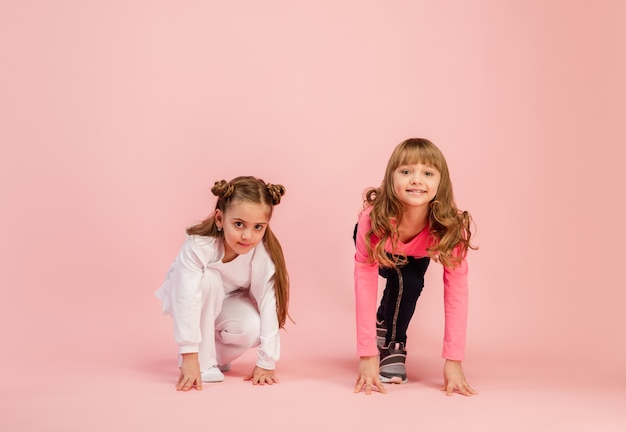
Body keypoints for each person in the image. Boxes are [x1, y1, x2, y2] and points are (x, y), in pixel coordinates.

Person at [353, 138, 478, 396]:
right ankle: (389, 344)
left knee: (409, 282)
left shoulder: (450, 227)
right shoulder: (372, 220)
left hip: (416, 254)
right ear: (391, 178)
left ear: (440, 183)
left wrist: (454, 361)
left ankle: (386, 327)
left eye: (428, 173)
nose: (416, 180)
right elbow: (364, 281)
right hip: (384, 246)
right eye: (406, 171)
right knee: (402, 279)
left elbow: (457, 291)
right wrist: (367, 355)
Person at [156, 176, 290, 391]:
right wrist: (189, 354)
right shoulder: (199, 246)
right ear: (220, 218)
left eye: (258, 227)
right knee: (210, 279)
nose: (248, 236)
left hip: (228, 303)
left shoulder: (263, 255)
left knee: (253, 328)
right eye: (239, 224)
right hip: (193, 299)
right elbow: (187, 296)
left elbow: (268, 303)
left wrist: (267, 362)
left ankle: (211, 356)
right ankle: (201, 361)